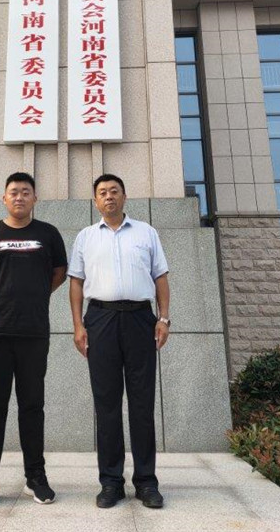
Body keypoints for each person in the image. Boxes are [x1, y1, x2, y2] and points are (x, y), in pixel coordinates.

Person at [0, 172, 67, 511]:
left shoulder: (48, 234)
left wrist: (33, 296)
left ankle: (35, 477)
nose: (19, 197)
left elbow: (59, 274)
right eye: (14, 192)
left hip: (33, 332)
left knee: (32, 407)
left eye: (25, 192)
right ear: (4, 198)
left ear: (35, 198)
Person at [68, 174, 170, 509]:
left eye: (114, 191)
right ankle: (111, 482)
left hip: (141, 319)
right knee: (107, 404)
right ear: (96, 201)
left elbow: (160, 276)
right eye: (102, 192)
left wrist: (163, 318)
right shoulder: (85, 237)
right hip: (100, 320)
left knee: (142, 402)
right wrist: (78, 325)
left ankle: (146, 482)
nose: (109, 196)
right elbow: (76, 283)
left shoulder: (146, 232)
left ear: (124, 196)